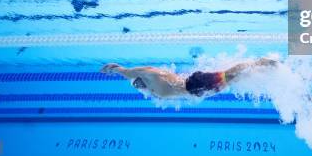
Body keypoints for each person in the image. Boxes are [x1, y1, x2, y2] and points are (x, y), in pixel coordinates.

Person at [99, 58, 278, 98]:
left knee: (229, 75)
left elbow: (129, 72)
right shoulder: (152, 87)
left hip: (194, 85)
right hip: (195, 88)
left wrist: (115, 69)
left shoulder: (151, 76)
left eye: (137, 85)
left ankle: (259, 62)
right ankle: (260, 69)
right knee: (233, 78)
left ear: (141, 80)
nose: (139, 88)